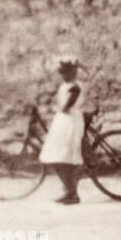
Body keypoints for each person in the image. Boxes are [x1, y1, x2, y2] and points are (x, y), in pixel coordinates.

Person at [39, 53, 86, 205]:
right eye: (62, 72)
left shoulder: (74, 87)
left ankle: (72, 194)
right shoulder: (66, 85)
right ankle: (70, 191)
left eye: (67, 72)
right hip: (64, 121)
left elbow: (66, 107)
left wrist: (57, 108)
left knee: (60, 157)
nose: (63, 75)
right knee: (58, 157)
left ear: (73, 72)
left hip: (69, 122)